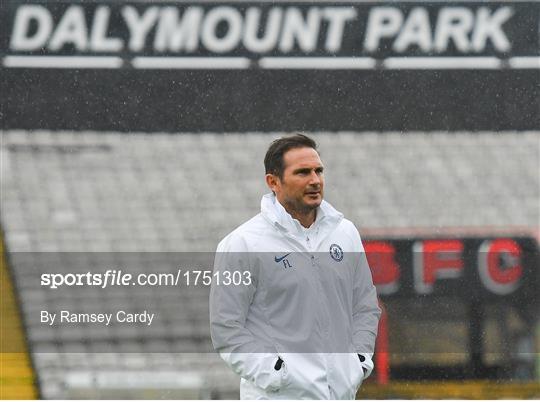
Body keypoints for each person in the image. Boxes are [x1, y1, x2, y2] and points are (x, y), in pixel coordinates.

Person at [210, 133, 381, 399]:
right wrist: (276, 373)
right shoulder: (243, 243)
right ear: (273, 182)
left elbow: (365, 305)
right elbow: (226, 327)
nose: (315, 180)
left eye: (318, 171)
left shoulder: (345, 233)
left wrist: (358, 360)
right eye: (302, 172)